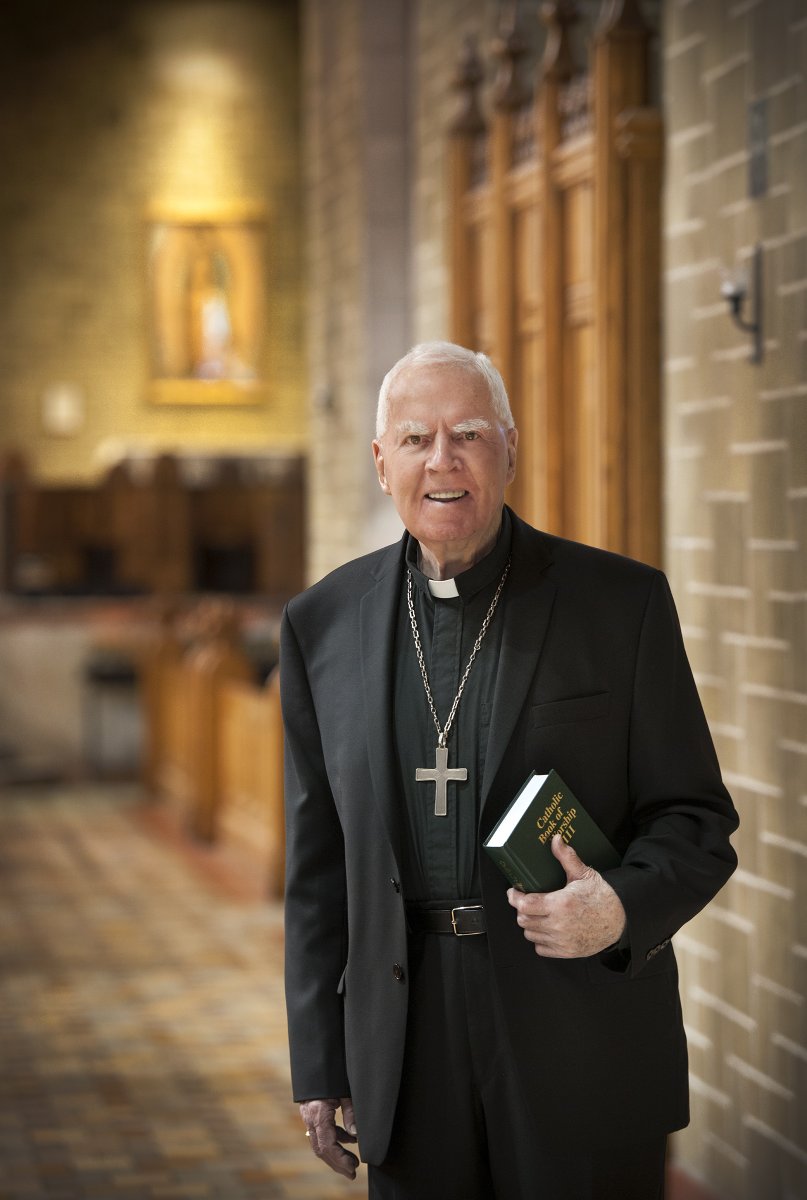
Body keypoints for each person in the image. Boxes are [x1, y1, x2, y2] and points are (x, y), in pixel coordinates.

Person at [280, 341, 738, 1200]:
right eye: (415, 439)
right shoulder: (322, 625)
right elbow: (315, 870)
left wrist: (618, 909)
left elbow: (695, 819)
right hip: (406, 1040)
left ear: (510, 450)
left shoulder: (619, 605)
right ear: (382, 464)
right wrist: (318, 1055)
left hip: (577, 1028)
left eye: (469, 435)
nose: (442, 461)